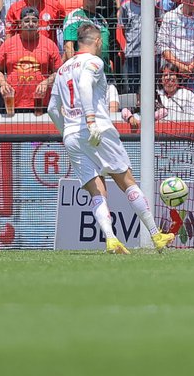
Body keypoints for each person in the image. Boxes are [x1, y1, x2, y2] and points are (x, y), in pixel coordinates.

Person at [47, 22, 175, 254]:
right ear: (97, 41)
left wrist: (66, 130)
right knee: (126, 181)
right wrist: (90, 120)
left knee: (97, 190)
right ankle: (156, 236)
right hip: (98, 129)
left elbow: (52, 109)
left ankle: (111, 239)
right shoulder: (94, 62)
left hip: (72, 136)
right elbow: (85, 85)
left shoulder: (62, 69)